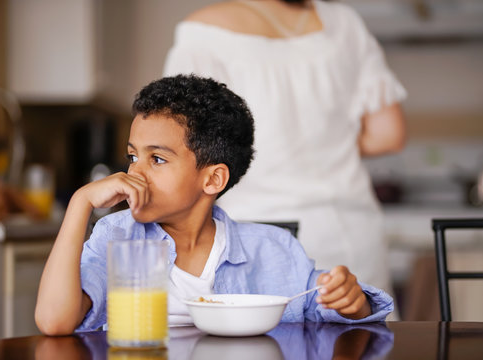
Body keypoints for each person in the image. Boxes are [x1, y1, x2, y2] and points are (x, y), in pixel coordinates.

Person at [34, 74, 393, 335]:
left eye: (157, 159)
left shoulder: (272, 249)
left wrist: (352, 299)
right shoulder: (119, 236)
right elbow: (55, 321)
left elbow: (327, 307)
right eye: (132, 156)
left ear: (213, 180)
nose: (135, 172)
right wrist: (81, 203)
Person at [163, 0, 407, 301]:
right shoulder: (345, 25)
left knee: (264, 346)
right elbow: (388, 135)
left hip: (254, 241)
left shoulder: (203, 32)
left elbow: (183, 146)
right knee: (361, 340)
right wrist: (323, 144)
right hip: (351, 234)